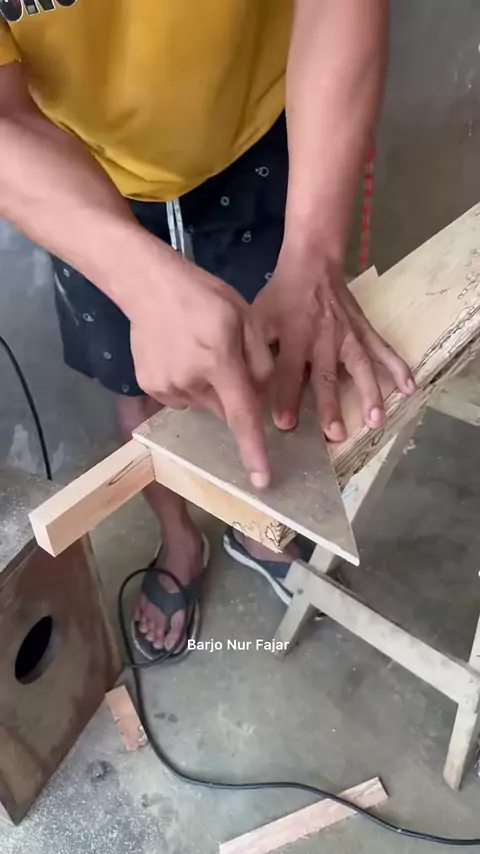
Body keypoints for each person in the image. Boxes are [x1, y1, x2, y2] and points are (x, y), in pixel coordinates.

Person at [0, 0, 414, 659]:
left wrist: (312, 250)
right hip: (78, 171)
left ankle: (258, 530)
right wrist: (135, 278)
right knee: (138, 383)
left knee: (280, 361)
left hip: (263, 122)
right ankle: (180, 538)